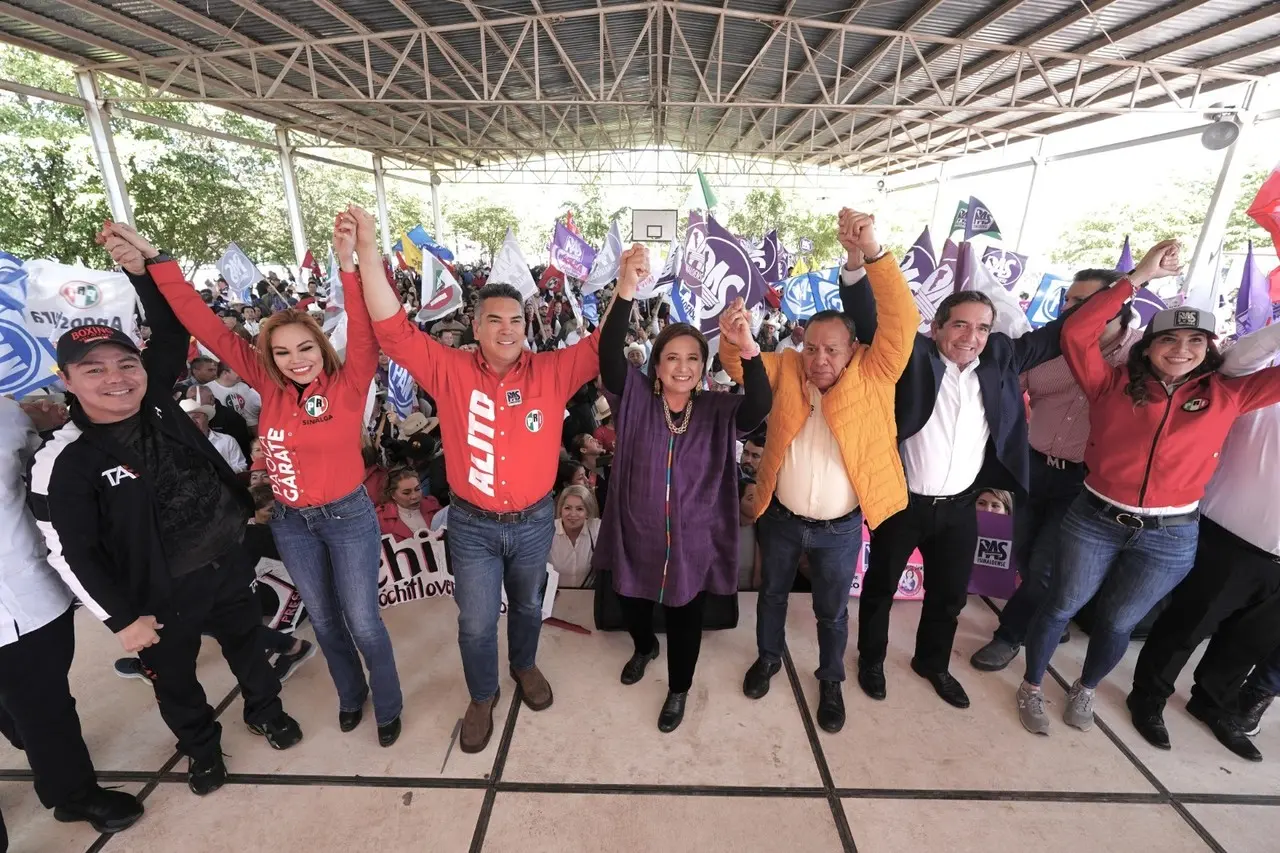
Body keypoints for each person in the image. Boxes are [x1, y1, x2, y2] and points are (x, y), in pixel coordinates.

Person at [110, 211, 405, 748]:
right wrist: (156, 262)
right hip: (292, 521)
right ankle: (348, 695)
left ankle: (387, 703)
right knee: (324, 618)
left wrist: (347, 264)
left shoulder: (349, 381)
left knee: (363, 622)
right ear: (268, 358)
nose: (295, 361)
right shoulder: (267, 389)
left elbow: (363, 324)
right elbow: (205, 324)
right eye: (282, 352)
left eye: (305, 349)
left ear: (322, 348)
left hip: (347, 518)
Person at [30, 233, 302, 798]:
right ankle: (202, 750)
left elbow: (173, 330)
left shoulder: (153, 397)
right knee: (175, 682)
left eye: (125, 363)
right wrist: (121, 618)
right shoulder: (67, 460)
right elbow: (74, 553)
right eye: (95, 370)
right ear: (67, 381)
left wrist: (142, 273)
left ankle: (265, 711)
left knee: (248, 646)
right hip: (158, 593)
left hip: (227, 560)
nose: (116, 378)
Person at [1015, 240, 1280, 737]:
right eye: (1169, 340)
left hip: (1170, 535)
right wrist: (1136, 278)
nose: (1181, 350)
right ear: (1149, 345)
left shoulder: (1226, 394)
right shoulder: (1109, 383)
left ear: (1209, 349)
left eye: (1195, 342)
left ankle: (1087, 687)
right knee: (1060, 604)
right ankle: (1031, 685)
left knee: (1117, 623)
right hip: (1094, 518)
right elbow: (1075, 331)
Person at [359, 221, 603, 756]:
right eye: (496, 319)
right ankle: (482, 694)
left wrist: (626, 287)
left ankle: (524, 664)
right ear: (477, 323)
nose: (508, 329)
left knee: (527, 606)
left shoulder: (552, 370)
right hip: (471, 526)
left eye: (516, 319)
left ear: (526, 324)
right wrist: (368, 252)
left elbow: (602, 345)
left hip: (536, 520)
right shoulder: (448, 369)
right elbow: (394, 331)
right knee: (474, 621)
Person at [844, 218, 1073, 711]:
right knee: (880, 590)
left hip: (961, 509)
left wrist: (1136, 280)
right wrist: (858, 260)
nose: (972, 336)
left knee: (949, 598)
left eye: (983, 327)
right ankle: (871, 661)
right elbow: (870, 322)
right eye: (962, 325)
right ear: (938, 327)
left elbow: (1064, 332)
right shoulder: (914, 356)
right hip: (902, 502)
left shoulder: (1002, 360)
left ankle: (932, 663)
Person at [723, 210, 917, 733]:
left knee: (833, 612)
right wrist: (736, 335)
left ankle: (830, 679)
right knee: (772, 597)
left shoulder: (877, 371)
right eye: (811, 347)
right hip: (782, 519)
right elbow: (740, 362)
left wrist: (871, 253)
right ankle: (768, 658)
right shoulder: (787, 368)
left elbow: (902, 318)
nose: (819, 358)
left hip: (841, 527)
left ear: (853, 349)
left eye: (831, 349)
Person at [593, 246, 771, 732]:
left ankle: (678, 689)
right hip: (636, 530)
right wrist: (627, 288)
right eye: (672, 357)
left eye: (693, 358)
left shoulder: (716, 410)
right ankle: (644, 646)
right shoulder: (633, 400)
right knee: (631, 600)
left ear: (702, 366)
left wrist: (749, 348)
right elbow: (609, 355)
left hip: (693, 539)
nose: (683, 366)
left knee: (685, 615)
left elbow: (758, 407)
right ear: (655, 364)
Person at [970, 270, 1141, 672]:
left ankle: (1008, 636)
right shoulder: (1051, 347)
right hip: (1031, 467)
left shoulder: (1141, 357)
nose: (1069, 310)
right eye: (1068, 301)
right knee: (1025, 556)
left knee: (1048, 566)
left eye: (1083, 303)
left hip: (1084, 482)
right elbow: (1010, 387)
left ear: (1117, 305)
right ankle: (1043, 612)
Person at [1126, 316, 1280, 760]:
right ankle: (1148, 698)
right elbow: (1240, 357)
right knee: (1185, 629)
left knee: (1249, 642)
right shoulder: (1256, 391)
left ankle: (1213, 705)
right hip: (1230, 542)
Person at [0, 398, 145, 843]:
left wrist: (45, 428)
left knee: (41, 704)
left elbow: (40, 476)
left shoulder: (7, 413)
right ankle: (72, 792)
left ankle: (55, 769)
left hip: (26, 598)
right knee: (40, 710)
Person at [548, 485, 601, 589]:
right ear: (560, 510)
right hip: (554, 596)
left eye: (579, 509)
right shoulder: (548, 530)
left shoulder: (596, 528)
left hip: (587, 596)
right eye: (567, 508)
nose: (573, 514)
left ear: (588, 512)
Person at [180, 398, 247, 473]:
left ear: (207, 418)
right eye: (187, 419)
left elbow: (241, 467)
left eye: (196, 417)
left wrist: (219, 473)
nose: (192, 422)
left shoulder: (227, 441)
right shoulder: (178, 444)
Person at [376, 467, 442, 540]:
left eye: (417, 489)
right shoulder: (380, 518)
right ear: (393, 495)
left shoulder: (433, 504)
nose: (414, 496)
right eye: (406, 493)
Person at [206, 362, 263, 429]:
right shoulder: (208, 390)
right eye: (238, 370)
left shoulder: (244, 386)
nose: (242, 374)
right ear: (225, 373)